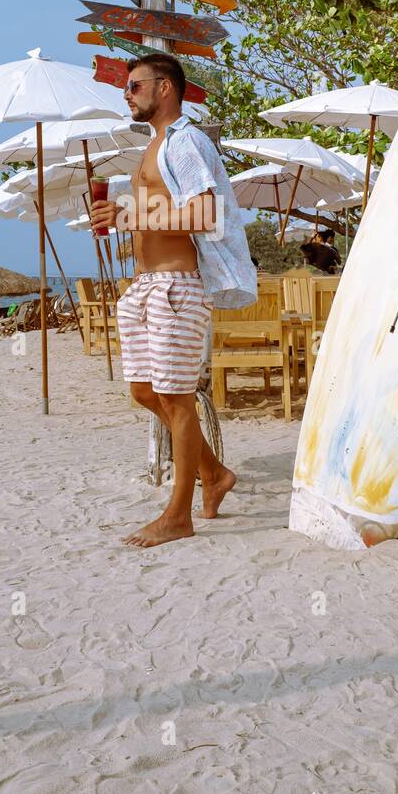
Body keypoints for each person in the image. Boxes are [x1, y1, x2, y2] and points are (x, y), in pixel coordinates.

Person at [89, 52, 257, 548]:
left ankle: (178, 514)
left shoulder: (187, 142)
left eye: (135, 85)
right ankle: (215, 473)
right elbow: (158, 213)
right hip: (143, 285)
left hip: (177, 286)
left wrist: (127, 219)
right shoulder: (153, 148)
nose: (127, 93)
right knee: (144, 392)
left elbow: (205, 215)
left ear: (165, 88)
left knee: (176, 399)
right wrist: (119, 213)